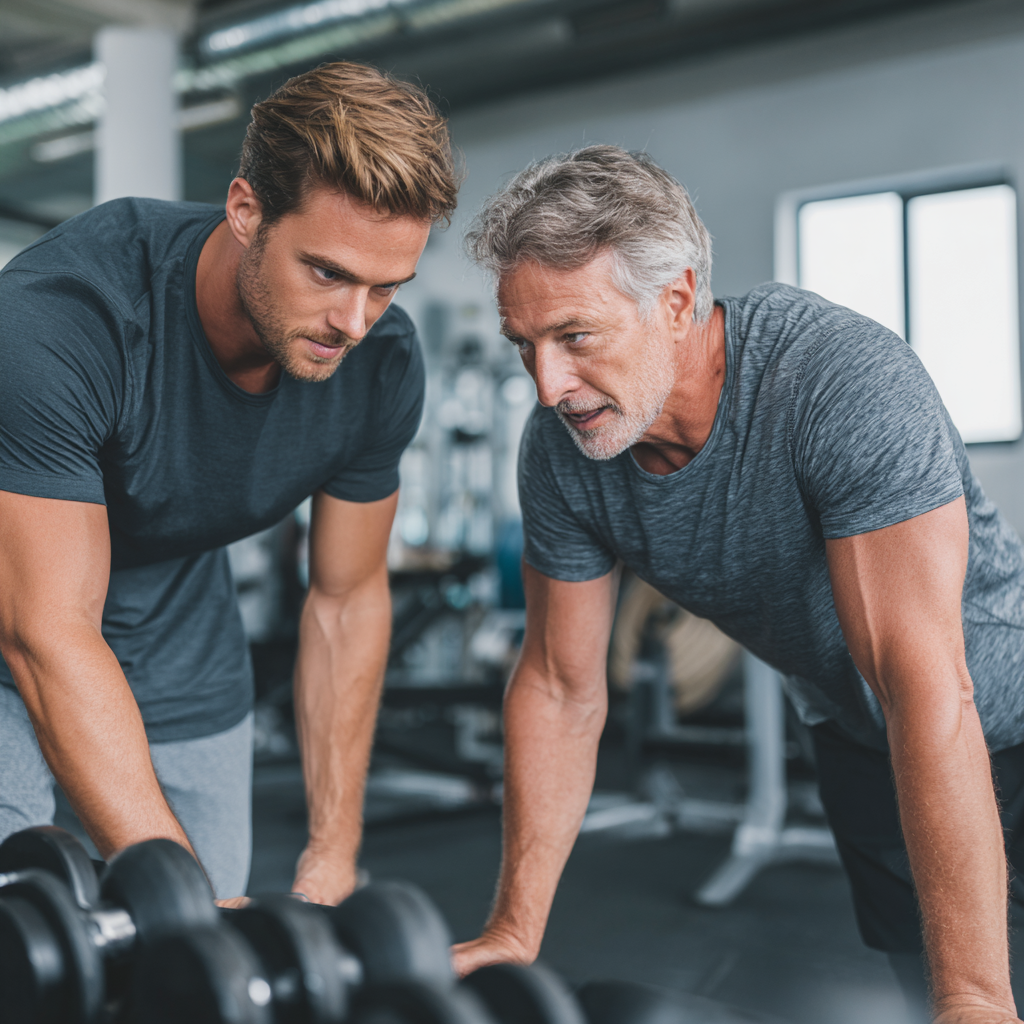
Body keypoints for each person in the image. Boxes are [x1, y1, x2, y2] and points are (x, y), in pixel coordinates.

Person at [453, 144, 1024, 1024]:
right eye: (525, 344)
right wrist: (512, 933)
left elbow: (927, 688)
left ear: (676, 301)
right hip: (861, 741)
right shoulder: (562, 455)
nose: (549, 384)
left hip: (993, 713)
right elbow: (562, 688)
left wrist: (979, 997)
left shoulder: (837, 382)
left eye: (575, 336)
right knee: (923, 1000)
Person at [0, 61, 458, 904]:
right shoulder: (64, 321)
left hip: (182, 640)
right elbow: (46, 636)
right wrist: (186, 907)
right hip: (16, 627)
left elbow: (346, 600)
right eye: (326, 272)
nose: (353, 323)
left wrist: (331, 856)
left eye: (386, 287)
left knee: (208, 972)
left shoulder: (380, 363)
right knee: (32, 924)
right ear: (246, 211)